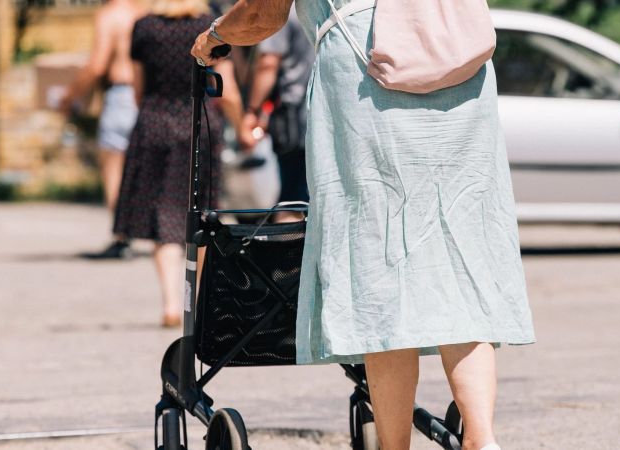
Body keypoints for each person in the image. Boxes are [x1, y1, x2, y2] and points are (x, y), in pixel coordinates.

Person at [192, 1, 536, 450]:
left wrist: (213, 38)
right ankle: (481, 437)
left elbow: (264, 13)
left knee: (380, 267)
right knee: (459, 257)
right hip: (456, 62)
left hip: (369, 72)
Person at [115, 0, 243, 327]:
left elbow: (139, 88)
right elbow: (226, 92)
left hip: (155, 124)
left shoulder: (144, 27)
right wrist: (242, 125)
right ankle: (197, 305)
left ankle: (171, 304)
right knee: (200, 215)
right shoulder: (211, 25)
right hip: (198, 126)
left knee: (163, 215)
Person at [60, 0, 145, 259]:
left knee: (114, 172)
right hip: (147, 98)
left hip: (120, 96)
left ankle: (121, 238)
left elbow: (97, 65)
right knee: (146, 171)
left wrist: (69, 97)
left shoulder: (109, 16)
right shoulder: (146, 14)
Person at [240, 6, 314, 221]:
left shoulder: (282, 10)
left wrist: (252, 110)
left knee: (291, 199)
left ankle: (289, 253)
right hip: (329, 110)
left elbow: (268, 64)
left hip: (295, 115)